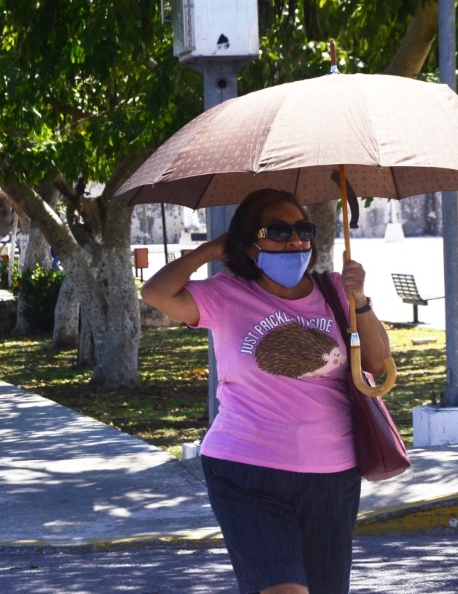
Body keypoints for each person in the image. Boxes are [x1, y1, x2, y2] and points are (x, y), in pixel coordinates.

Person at [141, 188, 391, 594]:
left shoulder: (333, 290)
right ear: (251, 242)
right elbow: (155, 293)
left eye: (303, 229)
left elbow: (377, 365)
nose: (294, 241)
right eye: (278, 231)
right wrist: (210, 251)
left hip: (331, 475)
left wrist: (359, 299)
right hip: (245, 471)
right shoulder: (226, 294)